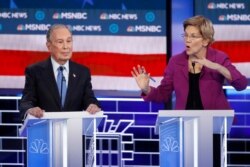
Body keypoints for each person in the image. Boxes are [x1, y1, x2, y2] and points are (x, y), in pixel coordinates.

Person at [131, 15, 248, 167]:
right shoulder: (176, 62)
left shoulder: (219, 58)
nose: (187, 40)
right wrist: (146, 89)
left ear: (205, 40)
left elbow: (241, 84)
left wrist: (218, 67)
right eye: (185, 35)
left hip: (214, 126)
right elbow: (164, 93)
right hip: (184, 126)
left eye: (193, 36)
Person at [19, 24, 101, 120]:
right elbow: (26, 102)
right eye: (60, 42)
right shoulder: (34, 71)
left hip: (73, 131)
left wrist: (92, 105)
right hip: (44, 130)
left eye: (69, 41)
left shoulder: (82, 72)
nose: (66, 47)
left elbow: (89, 99)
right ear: (49, 46)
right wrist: (30, 109)